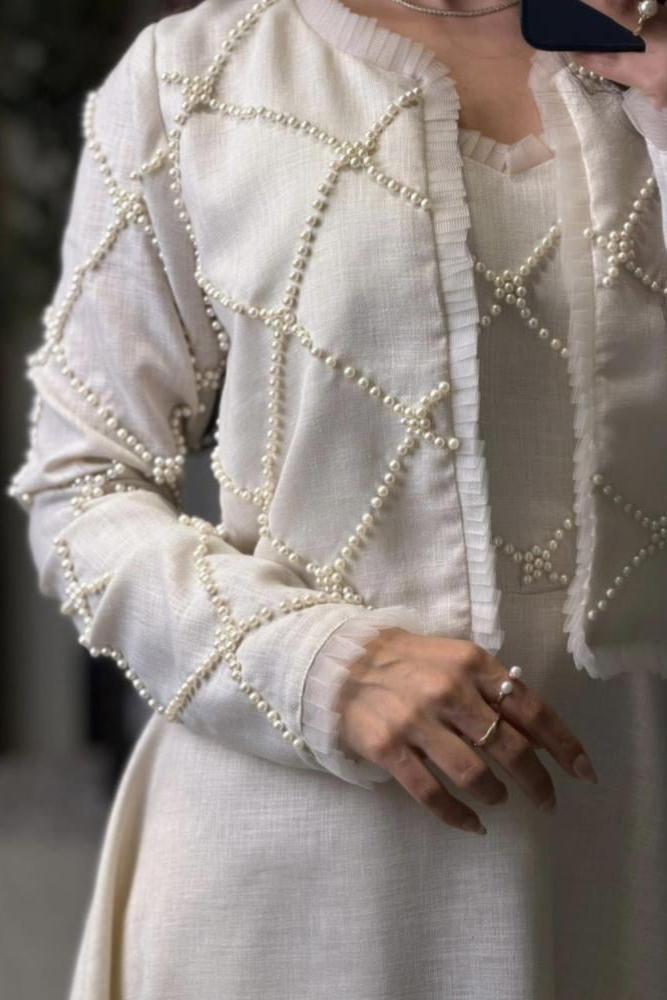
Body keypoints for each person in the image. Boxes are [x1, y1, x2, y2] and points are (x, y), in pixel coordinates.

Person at [7, 0, 667, 996]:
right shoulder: (199, 74)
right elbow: (79, 488)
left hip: (618, 844)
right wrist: (319, 666)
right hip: (294, 863)